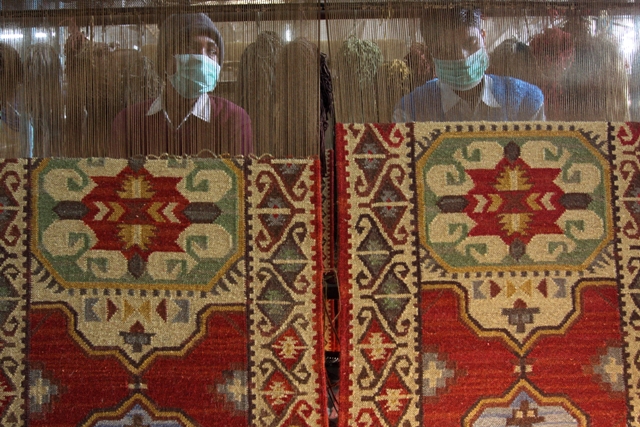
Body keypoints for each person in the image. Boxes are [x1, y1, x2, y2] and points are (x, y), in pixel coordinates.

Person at [111, 13, 252, 157]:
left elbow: (238, 171)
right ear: (164, 60)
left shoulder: (233, 119)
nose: (202, 58)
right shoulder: (128, 122)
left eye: (212, 51)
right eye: (190, 47)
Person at [393, 8, 545, 122]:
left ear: (483, 37)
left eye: (471, 43)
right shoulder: (410, 111)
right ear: (431, 53)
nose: (463, 58)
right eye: (447, 50)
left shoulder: (526, 101)